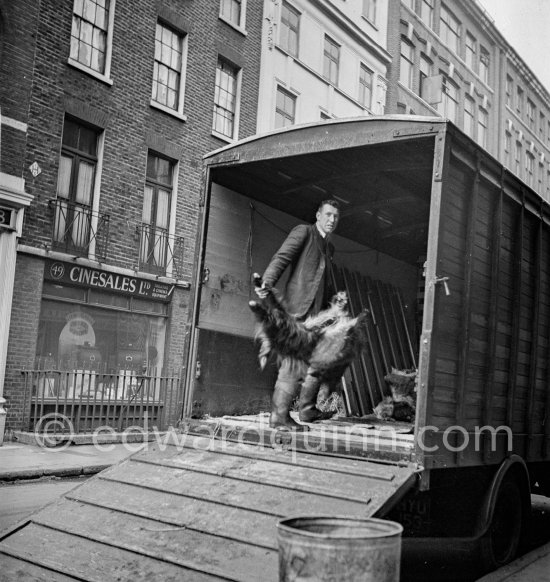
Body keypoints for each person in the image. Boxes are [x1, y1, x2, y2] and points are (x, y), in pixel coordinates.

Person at [256, 199, 341, 429]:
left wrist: (334, 308)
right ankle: (279, 416)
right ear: (318, 215)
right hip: (297, 311)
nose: (332, 219)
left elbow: (324, 283)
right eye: (328, 214)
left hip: (316, 318)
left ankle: (307, 410)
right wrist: (266, 283)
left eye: (335, 216)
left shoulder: (329, 248)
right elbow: (281, 257)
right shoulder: (304, 232)